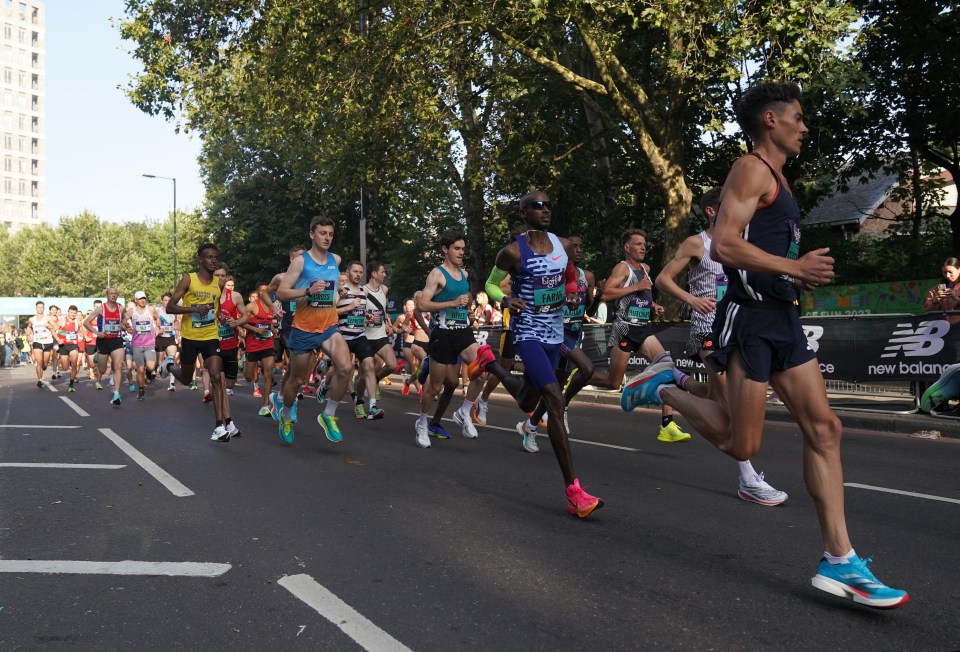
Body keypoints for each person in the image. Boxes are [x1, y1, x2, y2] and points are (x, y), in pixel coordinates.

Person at [622, 82, 907, 608]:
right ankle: (667, 385)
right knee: (742, 445)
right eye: (797, 117)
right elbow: (725, 244)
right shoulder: (751, 167)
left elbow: (760, 246)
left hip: (782, 319)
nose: (804, 125)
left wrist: (791, 277)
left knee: (826, 428)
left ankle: (841, 561)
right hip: (750, 323)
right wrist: (793, 267)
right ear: (771, 120)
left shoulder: (780, 178)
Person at [654, 187, 788, 506]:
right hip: (707, 331)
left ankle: (666, 383)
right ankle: (748, 478)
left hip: (738, 331)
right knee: (733, 407)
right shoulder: (697, 243)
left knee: (716, 398)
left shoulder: (742, 242)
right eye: (728, 205)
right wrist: (691, 299)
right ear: (712, 211)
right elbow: (663, 279)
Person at [475, 191, 603, 518]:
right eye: (537, 205)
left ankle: (488, 361)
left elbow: (570, 274)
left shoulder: (562, 244)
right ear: (523, 212)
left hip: (556, 332)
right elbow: (490, 285)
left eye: (548, 204)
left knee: (526, 401)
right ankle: (574, 492)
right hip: (528, 332)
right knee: (554, 400)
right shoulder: (513, 252)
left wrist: (573, 297)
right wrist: (504, 300)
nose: (545, 210)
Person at [588, 229, 693, 443]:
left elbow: (640, 297)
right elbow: (606, 294)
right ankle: (580, 378)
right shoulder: (622, 268)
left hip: (642, 328)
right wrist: (636, 286)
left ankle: (667, 425)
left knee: (667, 366)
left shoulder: (646, 269)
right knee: (613, 382)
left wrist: (653, 305)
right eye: (638, 244)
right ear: (627, 247)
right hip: (624, 328)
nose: (643, 247)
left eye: (644, 244)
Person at [272, 215, 353, 444]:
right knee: (296, 380)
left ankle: (328, 415)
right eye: (322, 233)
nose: (327, 237)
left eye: (330, 234)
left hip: (328, 326)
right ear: (312, 235)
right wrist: (307, 291)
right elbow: (282, 292)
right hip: (304, 328)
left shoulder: (335, 260)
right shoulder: (300, 262)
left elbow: (331, 289)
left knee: (346, 367)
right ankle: (286, 415)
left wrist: (339, 293)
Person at [518, 234, 596, 447]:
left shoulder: (587, 276)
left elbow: (588, 311)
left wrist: (598, 298)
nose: (578, 250)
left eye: (581, 246)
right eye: (574, 246)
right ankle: (563, 407)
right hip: (557, 332)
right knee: (586, 368)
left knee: (556, 388)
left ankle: (531, 426)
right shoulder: (553, 270)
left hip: (575, 332)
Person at [413, 230, 488, 447]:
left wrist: (467, 312)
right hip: (443, 334)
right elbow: (423, 305)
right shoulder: (436, 274)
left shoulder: (463, 275)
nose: (461, 253)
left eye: (463, 249)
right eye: (457, 248)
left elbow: (463, 302)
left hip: (462, 332)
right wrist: (451, 304)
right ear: (445, 250)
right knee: (435, 387)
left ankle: (464, 412)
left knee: (481, 371)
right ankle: (422, 422)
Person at [159, 243, 236, 442]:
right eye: (209, 257)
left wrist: (220, 318)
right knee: (185, 378)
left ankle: (219, 426)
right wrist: (193, 309)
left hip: (210, 336)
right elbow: (170, 307)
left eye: (215, 257)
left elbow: (215, 308)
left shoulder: (218, 284)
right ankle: (169, 366)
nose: (213, 261)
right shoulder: (189, 279)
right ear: (200, 259)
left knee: (216, 377)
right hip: (191, 337)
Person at [335, 261, 383, 420]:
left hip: (359, 335)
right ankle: (329, 386)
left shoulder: (364, 291)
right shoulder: (341, 290)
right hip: (343, 336)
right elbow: (329, 312)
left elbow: (363, 313)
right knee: (345, 369)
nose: (357, 275)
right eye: (354, 271)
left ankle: (373, 406)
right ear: (348, 272)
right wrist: (347, 308)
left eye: (360, 272)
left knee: (369, 365)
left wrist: (371, 319)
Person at [362, 260, 396, 417]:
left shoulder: (384, 289)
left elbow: (383, 311)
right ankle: (360, 401)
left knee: (392, 365)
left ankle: (373, 381)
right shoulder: (364, 291)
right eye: (382, 272)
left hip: (381, 335)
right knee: (366, 371)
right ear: (374, 274)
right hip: (366, 336)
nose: (385, 274)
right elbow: (357, 313)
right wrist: (367, 318)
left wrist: (387, 322)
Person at [83, 288, 127, 406]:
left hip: (117, 340)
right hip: (103, 341)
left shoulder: (121, 309)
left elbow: (122, 322)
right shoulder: (100, 308)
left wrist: (127, 327)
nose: (113, 295)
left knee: (118, 366)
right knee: (102, 369)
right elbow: (86, 322)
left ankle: (117, 393)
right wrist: (96, 333)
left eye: (115, 293)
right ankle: (99, 359)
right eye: (111, 293)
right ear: (107, 295)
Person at [243, 281, 278, 416]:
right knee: (248, 377)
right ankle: (254, 364)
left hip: (267, 344)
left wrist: (273, 330)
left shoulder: (272, 307)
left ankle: (265, 405)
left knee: (269, 374)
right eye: (262, 290)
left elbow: (269, 323)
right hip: (253, 345)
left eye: (267, 290)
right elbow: (242, 322)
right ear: (257, 293)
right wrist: (256, 330)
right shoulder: (251, 306)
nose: (265, 292)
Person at [126, 291, 160, 401]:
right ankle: (141, 389)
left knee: (150, 367)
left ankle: (149, 374)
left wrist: (158, 326)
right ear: (135, 300)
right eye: (140, 298)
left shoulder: (150, 309)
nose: (143, 300)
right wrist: (127, 327)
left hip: (150, 343)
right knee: (140, 370)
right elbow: (123, 320)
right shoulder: (132, 311)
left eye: (144, 298)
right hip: (137, 345)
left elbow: (157, 317)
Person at [922, 257, 960, 323]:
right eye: (944, 272)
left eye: (950, 272)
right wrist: (935, 301)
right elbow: (927, 312)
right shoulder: (935, 289)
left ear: (959, 269)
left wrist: (956, 299)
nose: (947, 275)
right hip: (940, 328)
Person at [27, 300, 55, 388]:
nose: (40, 309)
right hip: (37, 342)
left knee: (45, 362)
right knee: (38, 362)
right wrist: (28, 335)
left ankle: (45, 365)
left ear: (44, 308)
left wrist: (50, 326)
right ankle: (39, 380)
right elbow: (28, 327)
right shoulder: (32, 319)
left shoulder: (48, 318)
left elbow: (55, 326)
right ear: (36, 308)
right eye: (38, 307)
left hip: (47, 342)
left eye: (42, 307)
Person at [155, 292, 180, 392]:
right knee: (159, 362)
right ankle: (156, 370)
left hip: (170, 338)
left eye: (169, 300)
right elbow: (154, 325)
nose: (167, 302)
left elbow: (176, 325)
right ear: (162, 301)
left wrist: (177, 335)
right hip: (160, 339)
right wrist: (157, 329)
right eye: (165, 300)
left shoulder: (173, 312)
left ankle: (171, 384)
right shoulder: (158, 312)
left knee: (171, 360)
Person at [55, 305, 83, 392]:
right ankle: (67, 364)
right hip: (63, 346)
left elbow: (81, 331)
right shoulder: (62, 321)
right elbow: (53, 330)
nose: (73, 314)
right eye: (71, 312)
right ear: (68, 312)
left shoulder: (78, 322)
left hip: (73, 345)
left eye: (75, 313)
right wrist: (58, 339)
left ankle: (71, 384)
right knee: (65, 367)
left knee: (75, 363)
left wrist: (81, 335)